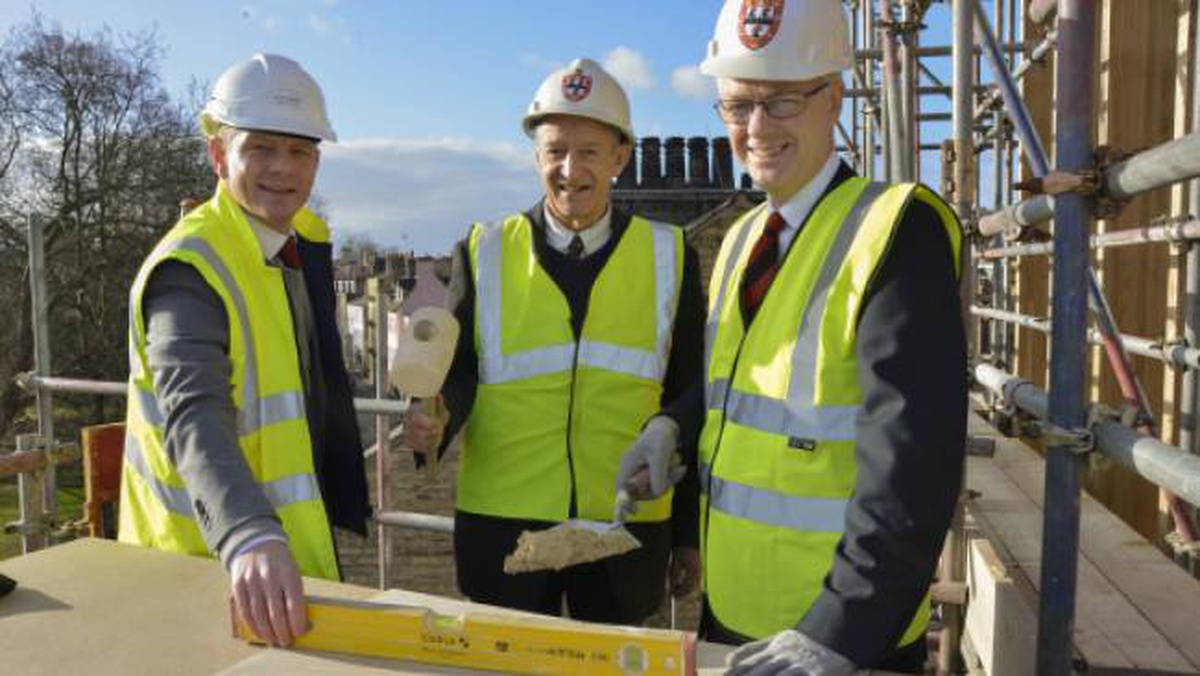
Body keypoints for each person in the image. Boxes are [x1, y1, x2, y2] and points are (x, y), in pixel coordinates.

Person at [629, 1, 966, 673]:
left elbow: (914, 462)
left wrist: (841, 631)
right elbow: (742, 386)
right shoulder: (743, 239)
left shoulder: (897, 228)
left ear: (833, 96)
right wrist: (673, 425)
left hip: (837, 638)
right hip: (734, 607)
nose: (755, 129)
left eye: (781, 102)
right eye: (735, 106)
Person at [403, 57, 704, 625]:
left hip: (625, 525)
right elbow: (459, 373)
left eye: (589, 151)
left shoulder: (673, 257)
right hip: (503, 526)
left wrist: (687, 533)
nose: (570, 168)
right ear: (535, 155)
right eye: (555, 150)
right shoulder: (483, 249)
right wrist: (432, 421)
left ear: (621, 157)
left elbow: (688, 398)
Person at [117, 53, 370, 649]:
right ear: (218, 155)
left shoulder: (294, 245)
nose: (283, 169)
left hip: (285, 565)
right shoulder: (192, 269)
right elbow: (194, 415)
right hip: (204, 572)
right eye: (260, 148)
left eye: (300, 150)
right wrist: (249, 534)